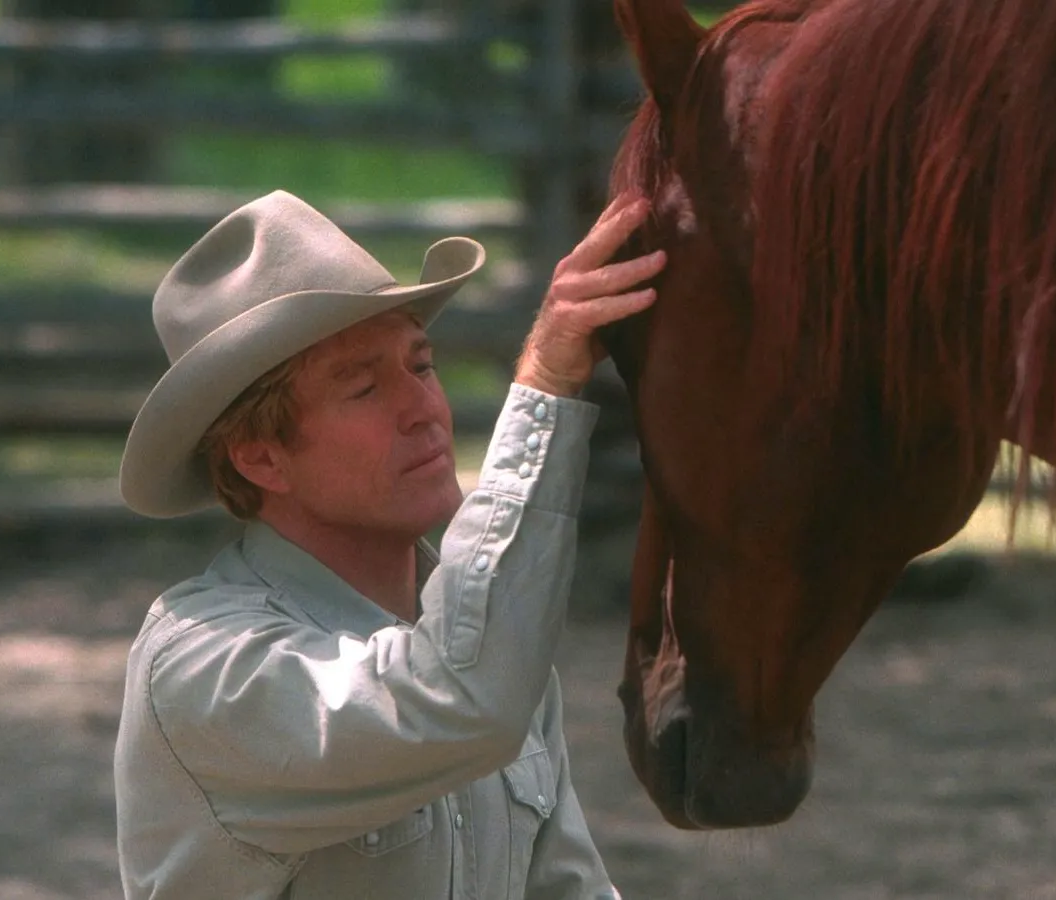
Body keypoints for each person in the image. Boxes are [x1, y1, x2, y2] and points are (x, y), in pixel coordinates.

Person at [111, 188, 664, 899]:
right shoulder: (203, 669)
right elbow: (462, 696)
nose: (423, 410)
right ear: (261, 459)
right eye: (363, 389)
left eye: (422, 366)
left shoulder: (497, 644)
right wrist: (546, 385)